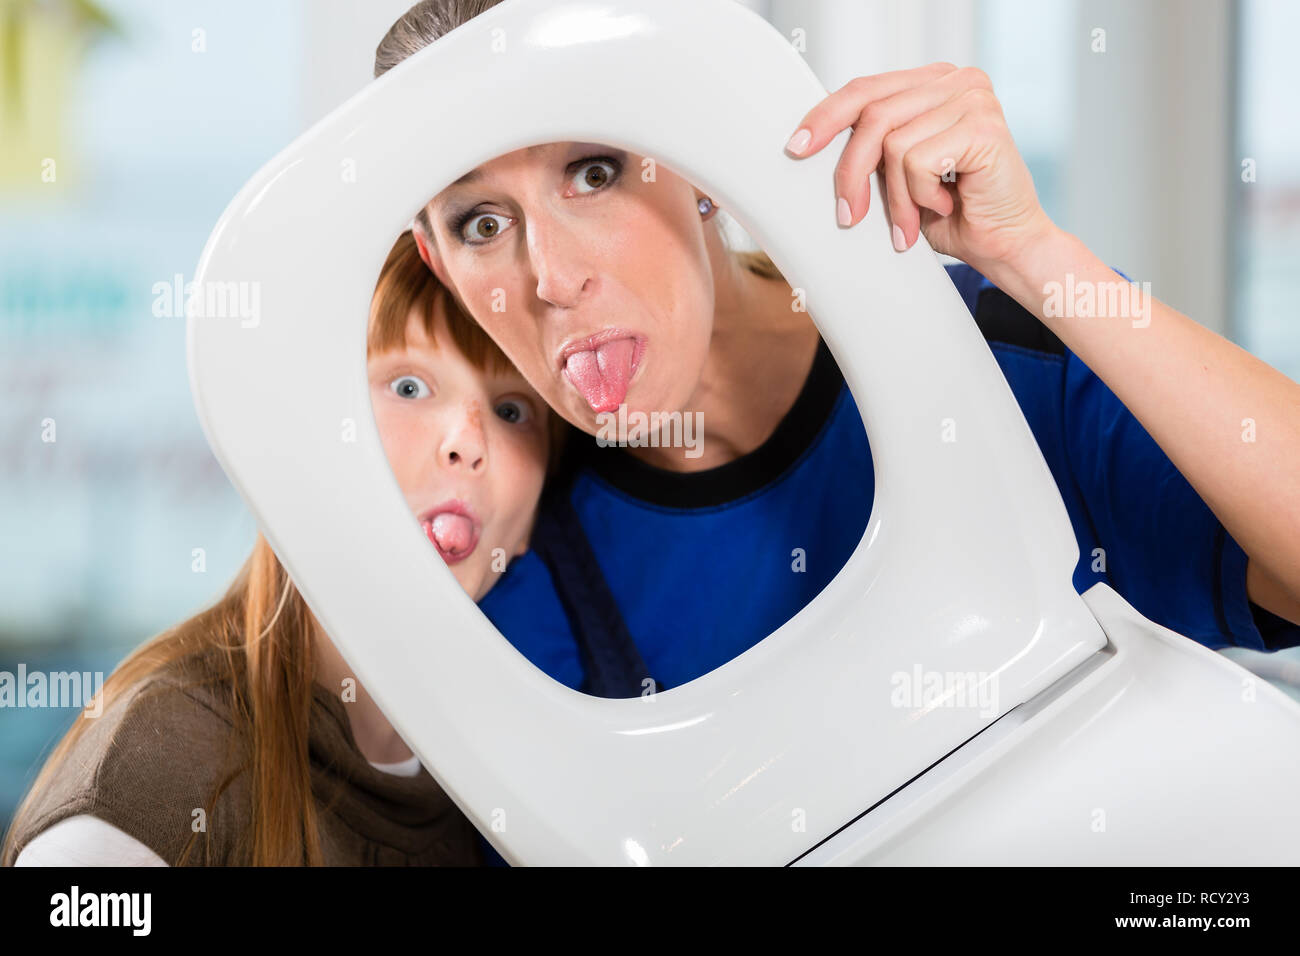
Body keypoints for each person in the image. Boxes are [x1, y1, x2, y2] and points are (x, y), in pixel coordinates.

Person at [373, 0, 1300, 700]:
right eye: (482, 221)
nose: (552, 275)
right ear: (439, 264)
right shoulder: (529, 566)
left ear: (695, 158)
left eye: (594, 171)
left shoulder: (1000, 363)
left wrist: (1037, 255)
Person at [2, 230, 558, 866]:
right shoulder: (154, 772)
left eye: (513, 410)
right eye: (408, 387)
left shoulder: (515, 778)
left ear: (529, 523)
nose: (468, 441)